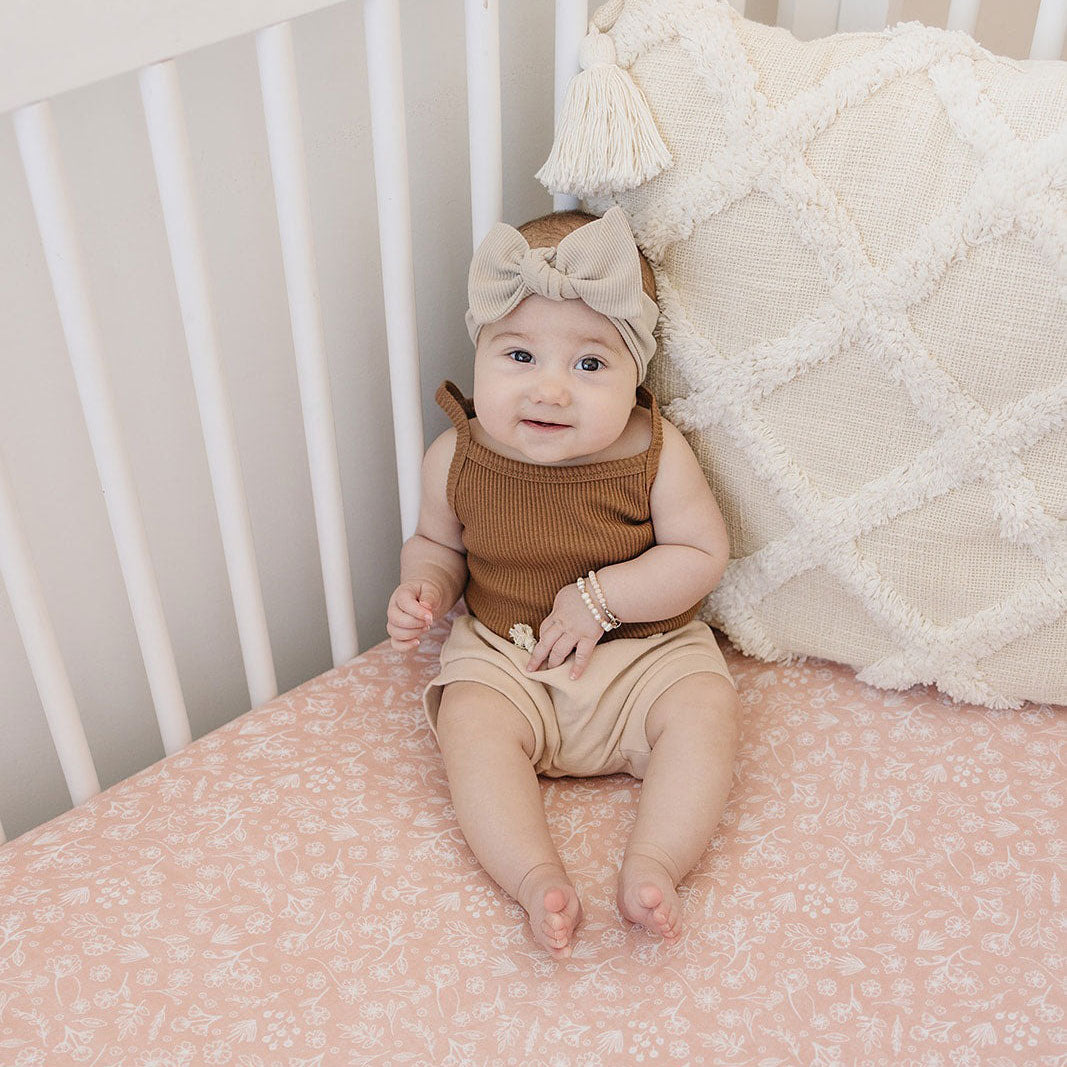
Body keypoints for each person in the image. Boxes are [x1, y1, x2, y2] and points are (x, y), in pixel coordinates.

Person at [386, 206, 740, 960]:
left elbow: (699, 553)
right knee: (469, 724)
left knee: (705, 709)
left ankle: (657, 860)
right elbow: (437, 545)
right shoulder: (454, 457)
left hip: (641, 656)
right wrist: (425, 587)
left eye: (589, 365)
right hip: (508, 657)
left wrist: (599, 599)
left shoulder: (654, 452)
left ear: (635, 371)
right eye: (520, 355)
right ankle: (532, 874)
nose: (550, 391)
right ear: (479, 352)